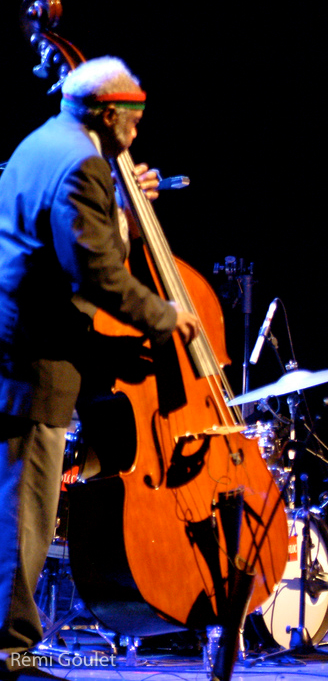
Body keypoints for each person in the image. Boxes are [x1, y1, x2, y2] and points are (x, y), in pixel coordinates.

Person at [0, 56, 199, 677]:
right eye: (134, 124)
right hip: (36, 361)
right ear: (110, 114)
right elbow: (97, 272)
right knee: (24, 513)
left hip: (24, 350)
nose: (136, 137)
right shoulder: (82, 159)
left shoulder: (40, 143)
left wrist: (119, 198)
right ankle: (10, 652)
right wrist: (168, 317)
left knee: (18, 505)